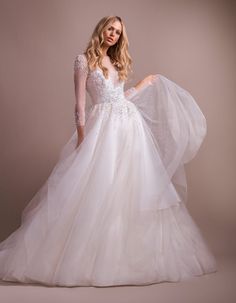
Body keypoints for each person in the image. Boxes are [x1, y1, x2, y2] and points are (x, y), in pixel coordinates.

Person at [0, 15, 217, 287]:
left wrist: (142, 84)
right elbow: (80, 107)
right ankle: (88, 260)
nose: (113, 34)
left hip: (130, 128)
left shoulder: (116, 62)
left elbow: (119, 97)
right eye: (110, 29)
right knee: (99, 188)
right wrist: (82, 140)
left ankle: (129, 257)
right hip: (102, 130)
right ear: (101, 29)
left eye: (118, 32)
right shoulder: (84, 61)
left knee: (131, 189)